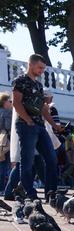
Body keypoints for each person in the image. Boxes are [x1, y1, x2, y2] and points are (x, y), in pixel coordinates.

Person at [11, 54, 61, 199]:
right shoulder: (19, 81)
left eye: (43, 68)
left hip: (40, 126)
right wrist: (28, 120)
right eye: (39, 67)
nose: (41, 71)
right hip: (26, 125)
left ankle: (51, 194)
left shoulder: (39, 85)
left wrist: (55, 126)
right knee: (27, 161)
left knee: (52, 159)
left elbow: (44, 109)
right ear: (30, 65)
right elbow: (16, 103)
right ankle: (29, 193)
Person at [0, 93, 11, 189]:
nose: (10, 102)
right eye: (9, 100)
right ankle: (2, 188)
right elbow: (8, 126)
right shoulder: (7, 112)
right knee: (3, 165)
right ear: (4, 102)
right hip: (4, 141)